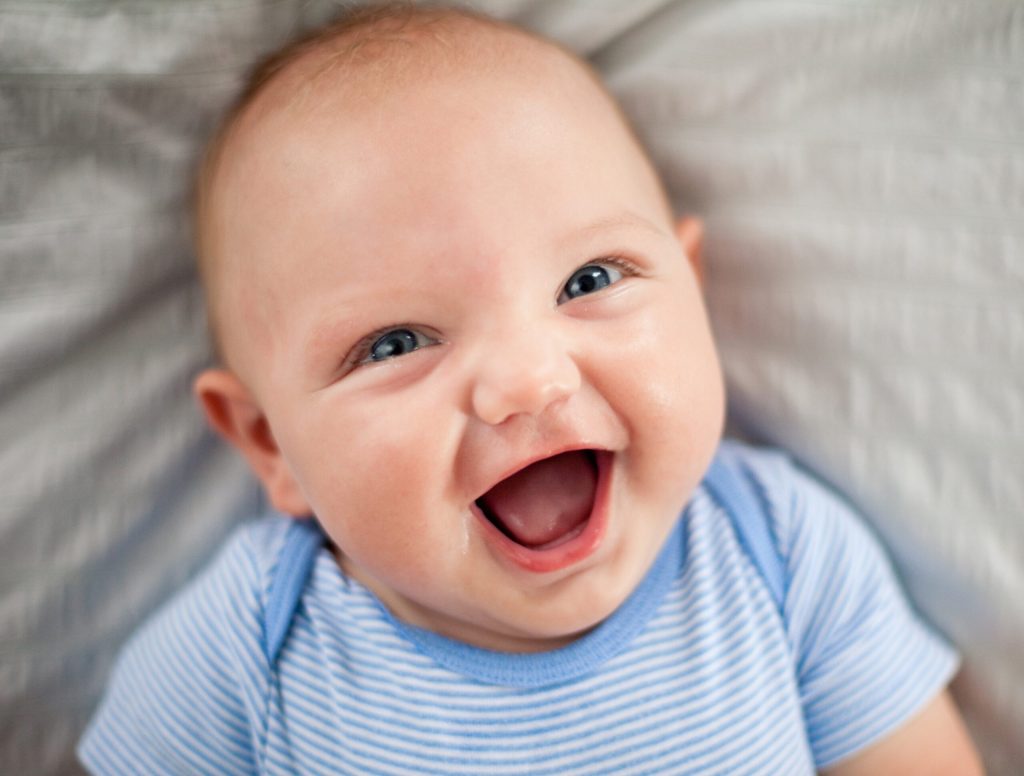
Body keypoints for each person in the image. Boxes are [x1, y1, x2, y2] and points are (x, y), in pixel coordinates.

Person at [78, 4, 982, 774]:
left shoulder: (780, 556)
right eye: (395, 343)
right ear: (269, 444)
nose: (526, 380)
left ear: (692, 292)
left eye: (590, 282)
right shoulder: (245, 651)